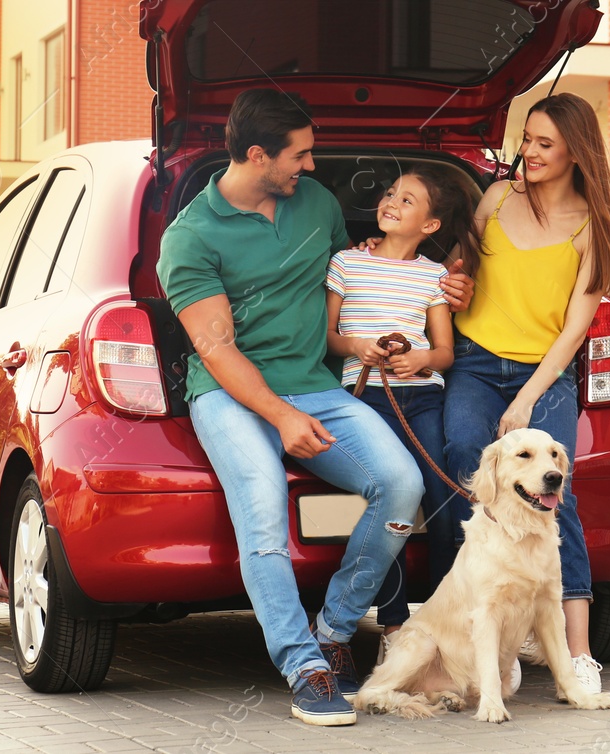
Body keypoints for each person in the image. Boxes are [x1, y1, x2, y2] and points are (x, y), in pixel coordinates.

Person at [155, 88, 471, 727]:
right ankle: (305, 665)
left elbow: (363, 276)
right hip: (229, 398)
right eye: (299, 154)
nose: (310, 164)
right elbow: (216, 351)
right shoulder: (189, 237)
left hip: (316, 387)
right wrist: (281, 416)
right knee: (263, 512)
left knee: (402, 484)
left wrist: (453, 279)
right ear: (255, 154)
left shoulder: (318, 204)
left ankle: (333, 627)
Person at [442, 92, 610, 695]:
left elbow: (575, 330)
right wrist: (454, 284)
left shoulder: (590, 227)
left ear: (577, 150)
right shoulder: (496, 198)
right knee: (472, 471)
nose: (531, 153)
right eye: (528, 140)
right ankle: (490, 635)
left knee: (555, 498)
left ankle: (577, 655)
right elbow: (456, 266)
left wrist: (526, 400)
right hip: (472, 361)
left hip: (542, 371)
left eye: (546, 144)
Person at [323, 166, 478, 658]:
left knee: (443, 501)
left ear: (430, 226)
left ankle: (448, 619)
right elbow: (327, 337)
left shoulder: (434, 276)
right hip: (367, 397)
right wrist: (358, 347)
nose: (392, 201)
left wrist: (421, 358)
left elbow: (445, 353)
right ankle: (393, 626)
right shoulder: (347, 263)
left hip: (424, 397)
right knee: (393, 504)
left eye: (408, 200)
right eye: (391, 193)